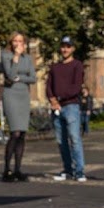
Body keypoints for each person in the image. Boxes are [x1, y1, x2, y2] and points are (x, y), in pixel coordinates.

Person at [45, 36, 86, 182]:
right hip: (56, 107)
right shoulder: (54, 67)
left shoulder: (77, 65)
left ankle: (79, 171)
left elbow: (76, 87)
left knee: (74, 139)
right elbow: (48, 86)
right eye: (63, 46)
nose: (65, 49)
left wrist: (59, 98)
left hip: (71, 106)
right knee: (61, 141)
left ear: (72, 48)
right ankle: (67, 169)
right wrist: (52, 99)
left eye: (68, 46)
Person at [0, 32, 37, 182]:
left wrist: (20, 78)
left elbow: (33, 78)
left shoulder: (27, 58)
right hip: (11, 95)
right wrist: (15, 58)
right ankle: (7, 169)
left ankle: (18, 169)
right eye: (15, 41)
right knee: (14, 133)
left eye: (20, 41)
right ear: (11, 42)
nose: (18, 44)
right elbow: (10, 75)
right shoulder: (6, 56)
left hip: (23, 96)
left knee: (22, 134)